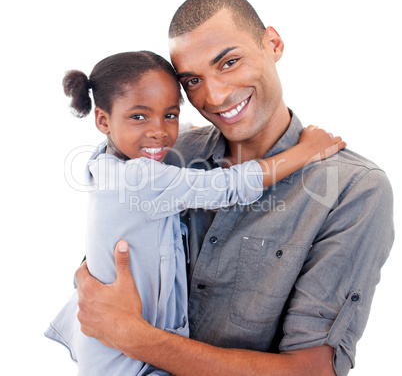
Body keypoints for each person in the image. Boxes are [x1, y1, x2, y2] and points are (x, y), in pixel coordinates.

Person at [74, 0, 394, 376]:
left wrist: (135, 336)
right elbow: (103, 274)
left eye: (229, 62)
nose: (215, 95)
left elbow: (311, 371)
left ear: (272, 44)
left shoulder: (353, 190)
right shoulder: (170, 153)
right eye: (193, 80)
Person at [45, 50, 344, 375]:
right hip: (130, 364)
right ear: (103, 120)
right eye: (139, 117)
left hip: (125, 352)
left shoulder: (108, 160)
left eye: (169, 115)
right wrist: (307, 150)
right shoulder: (138, 177)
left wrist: (188, 126)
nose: (159, 131)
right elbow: (227, 186)